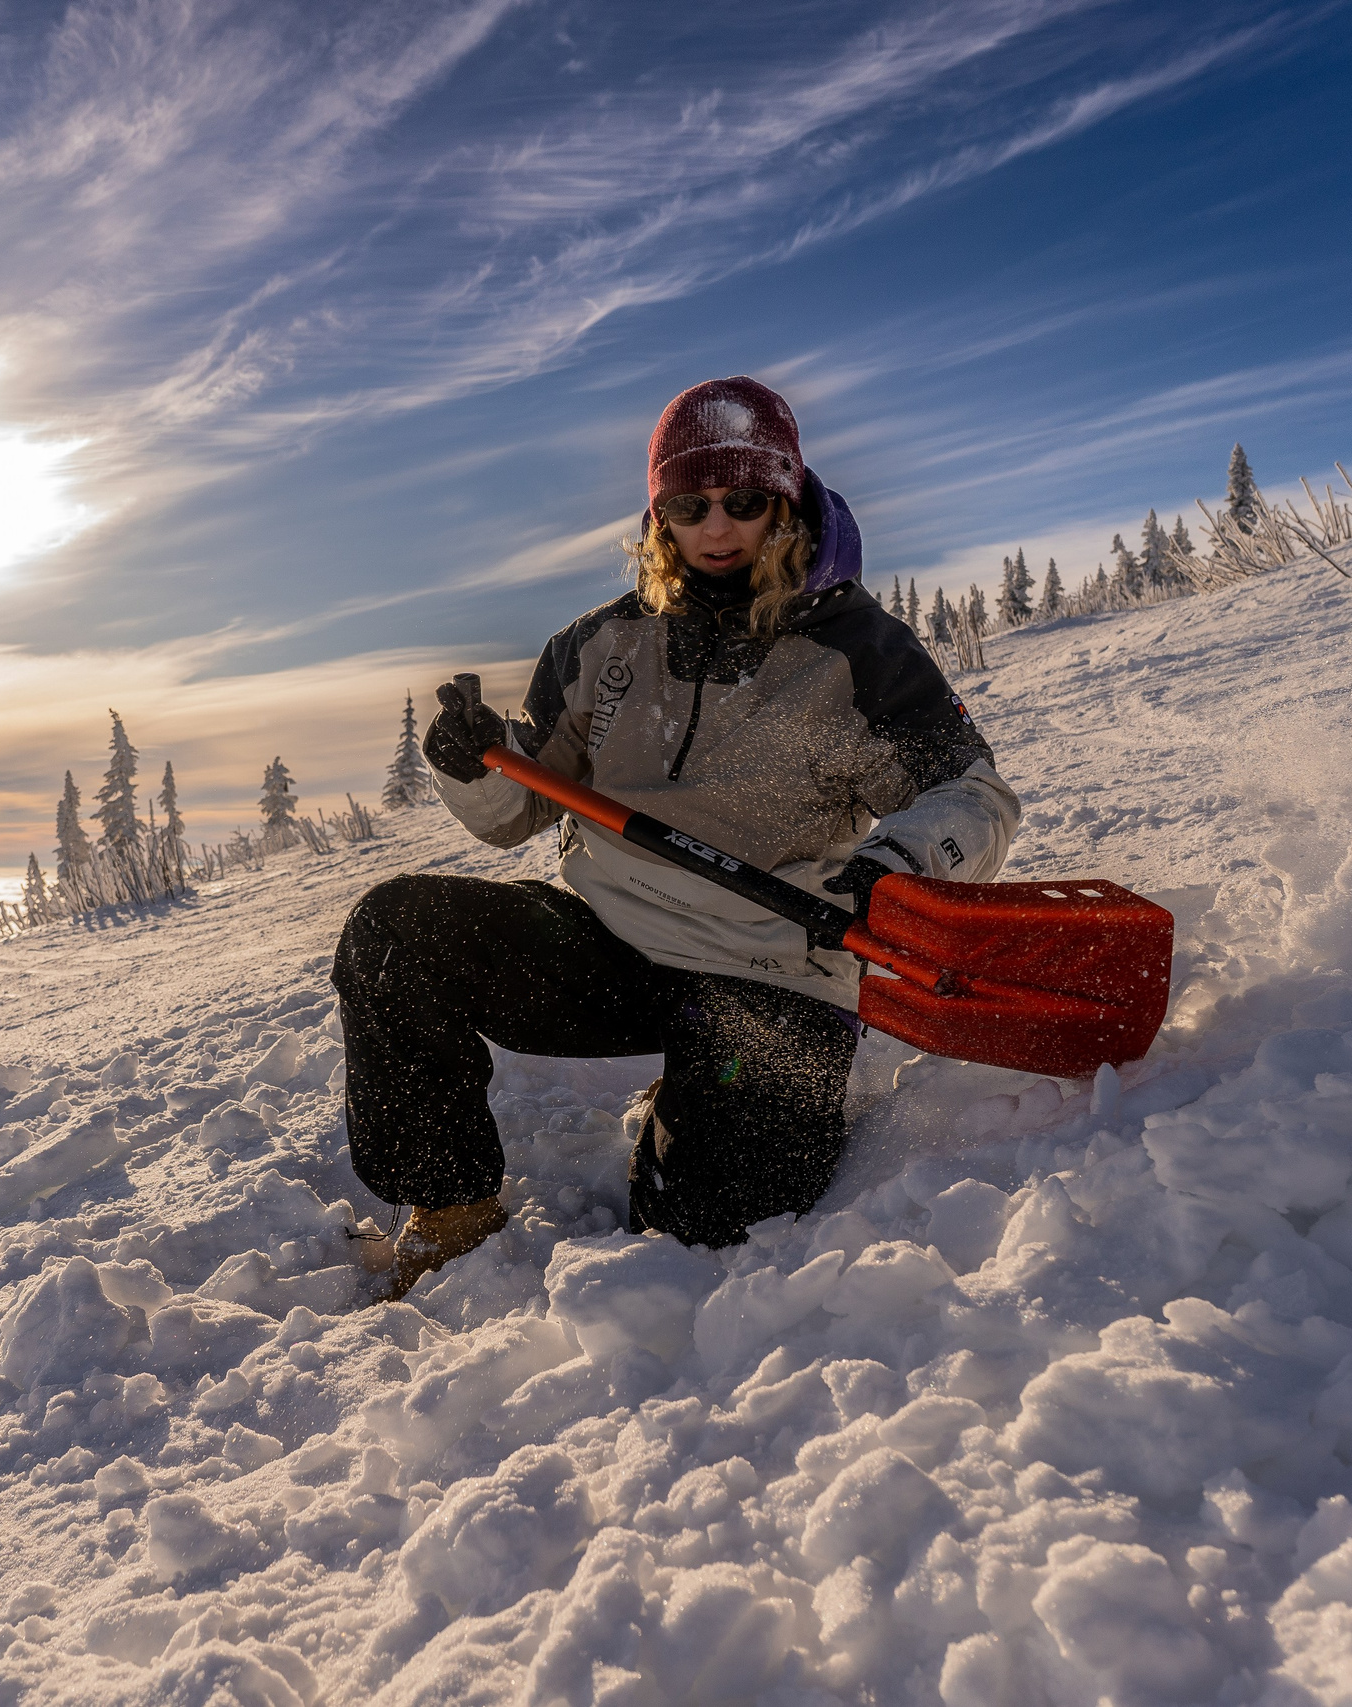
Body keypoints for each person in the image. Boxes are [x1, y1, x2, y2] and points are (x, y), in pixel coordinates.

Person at [331, 377, 1020, 1298]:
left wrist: (892, 867)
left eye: (744, 501)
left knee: (703, 1226)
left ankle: (706, 1089)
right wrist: (474, 762)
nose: (718, 527)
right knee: (394, 932)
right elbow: (516, 811)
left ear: (785, 498)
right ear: (661, 515)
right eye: (691, 506)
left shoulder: (858, 651)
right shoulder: (599, 645)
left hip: (771, 962)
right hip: (615, 939)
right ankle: (451, 1207)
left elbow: (973, 794)